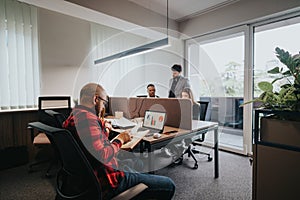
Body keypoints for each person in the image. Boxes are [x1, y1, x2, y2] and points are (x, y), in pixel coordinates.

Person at [63, 83, 175, 200]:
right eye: (104, 102)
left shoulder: (75, 115)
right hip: (109, 180)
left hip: (86, 177)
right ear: (95, 99)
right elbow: (102, 155)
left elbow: (92, 139)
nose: (103, 107)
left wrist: (104, 127)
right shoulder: (87, 119)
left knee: (138, 164)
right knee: (169, 185)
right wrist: (120, 139)